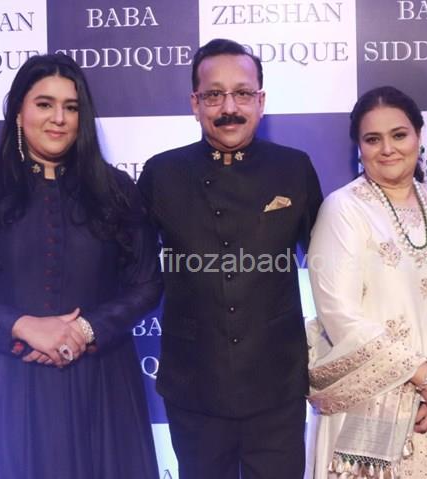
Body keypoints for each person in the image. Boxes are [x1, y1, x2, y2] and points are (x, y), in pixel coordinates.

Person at [0, 54, 162, 479]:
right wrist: (21, 326)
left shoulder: (116, 192)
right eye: (44, 104)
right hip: (0, 388)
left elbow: (146, 284)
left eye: (71, 107)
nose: (58, 118)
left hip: (99, 385)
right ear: (19, 111)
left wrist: (85, 329)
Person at [137, 38, 323, 478]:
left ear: (261, 101)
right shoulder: (161, 173)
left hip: (277, 382)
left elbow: (330, 268)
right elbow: (134, 272)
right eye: (214, 95)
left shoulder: (294, 168)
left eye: (242, 93)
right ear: (194, 103)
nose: (229, 108)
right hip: (193, 385)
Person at [305, 86, 427, 479]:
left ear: (418, 136)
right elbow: (340, 317)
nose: (387, 149)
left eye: (399, 135)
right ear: (359, 148)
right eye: (372, 139)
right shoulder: (343, 209)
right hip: (368, 404)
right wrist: (424, 376)